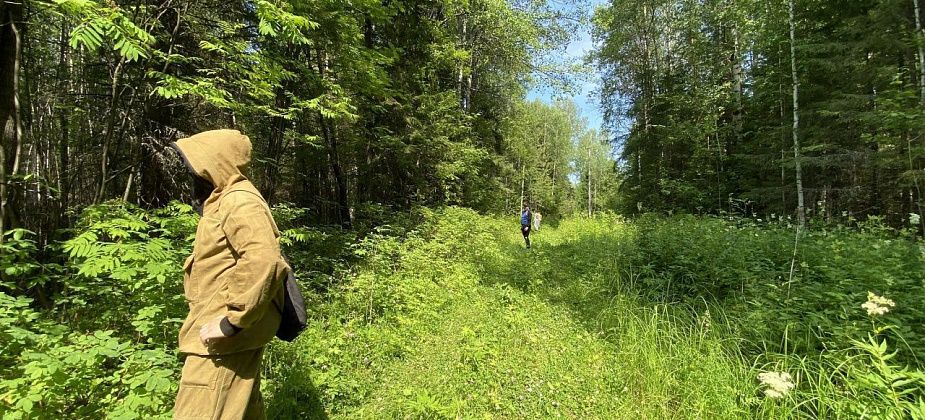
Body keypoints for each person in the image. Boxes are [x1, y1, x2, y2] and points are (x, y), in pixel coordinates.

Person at [170, 129, 289, 420]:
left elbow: (263, 258)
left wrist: (232, 321)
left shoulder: (239, 201)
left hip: (219, 344)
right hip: (224, 339)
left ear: (215, 164)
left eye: (195, 166)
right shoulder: (224, 200)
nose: (192, 173)